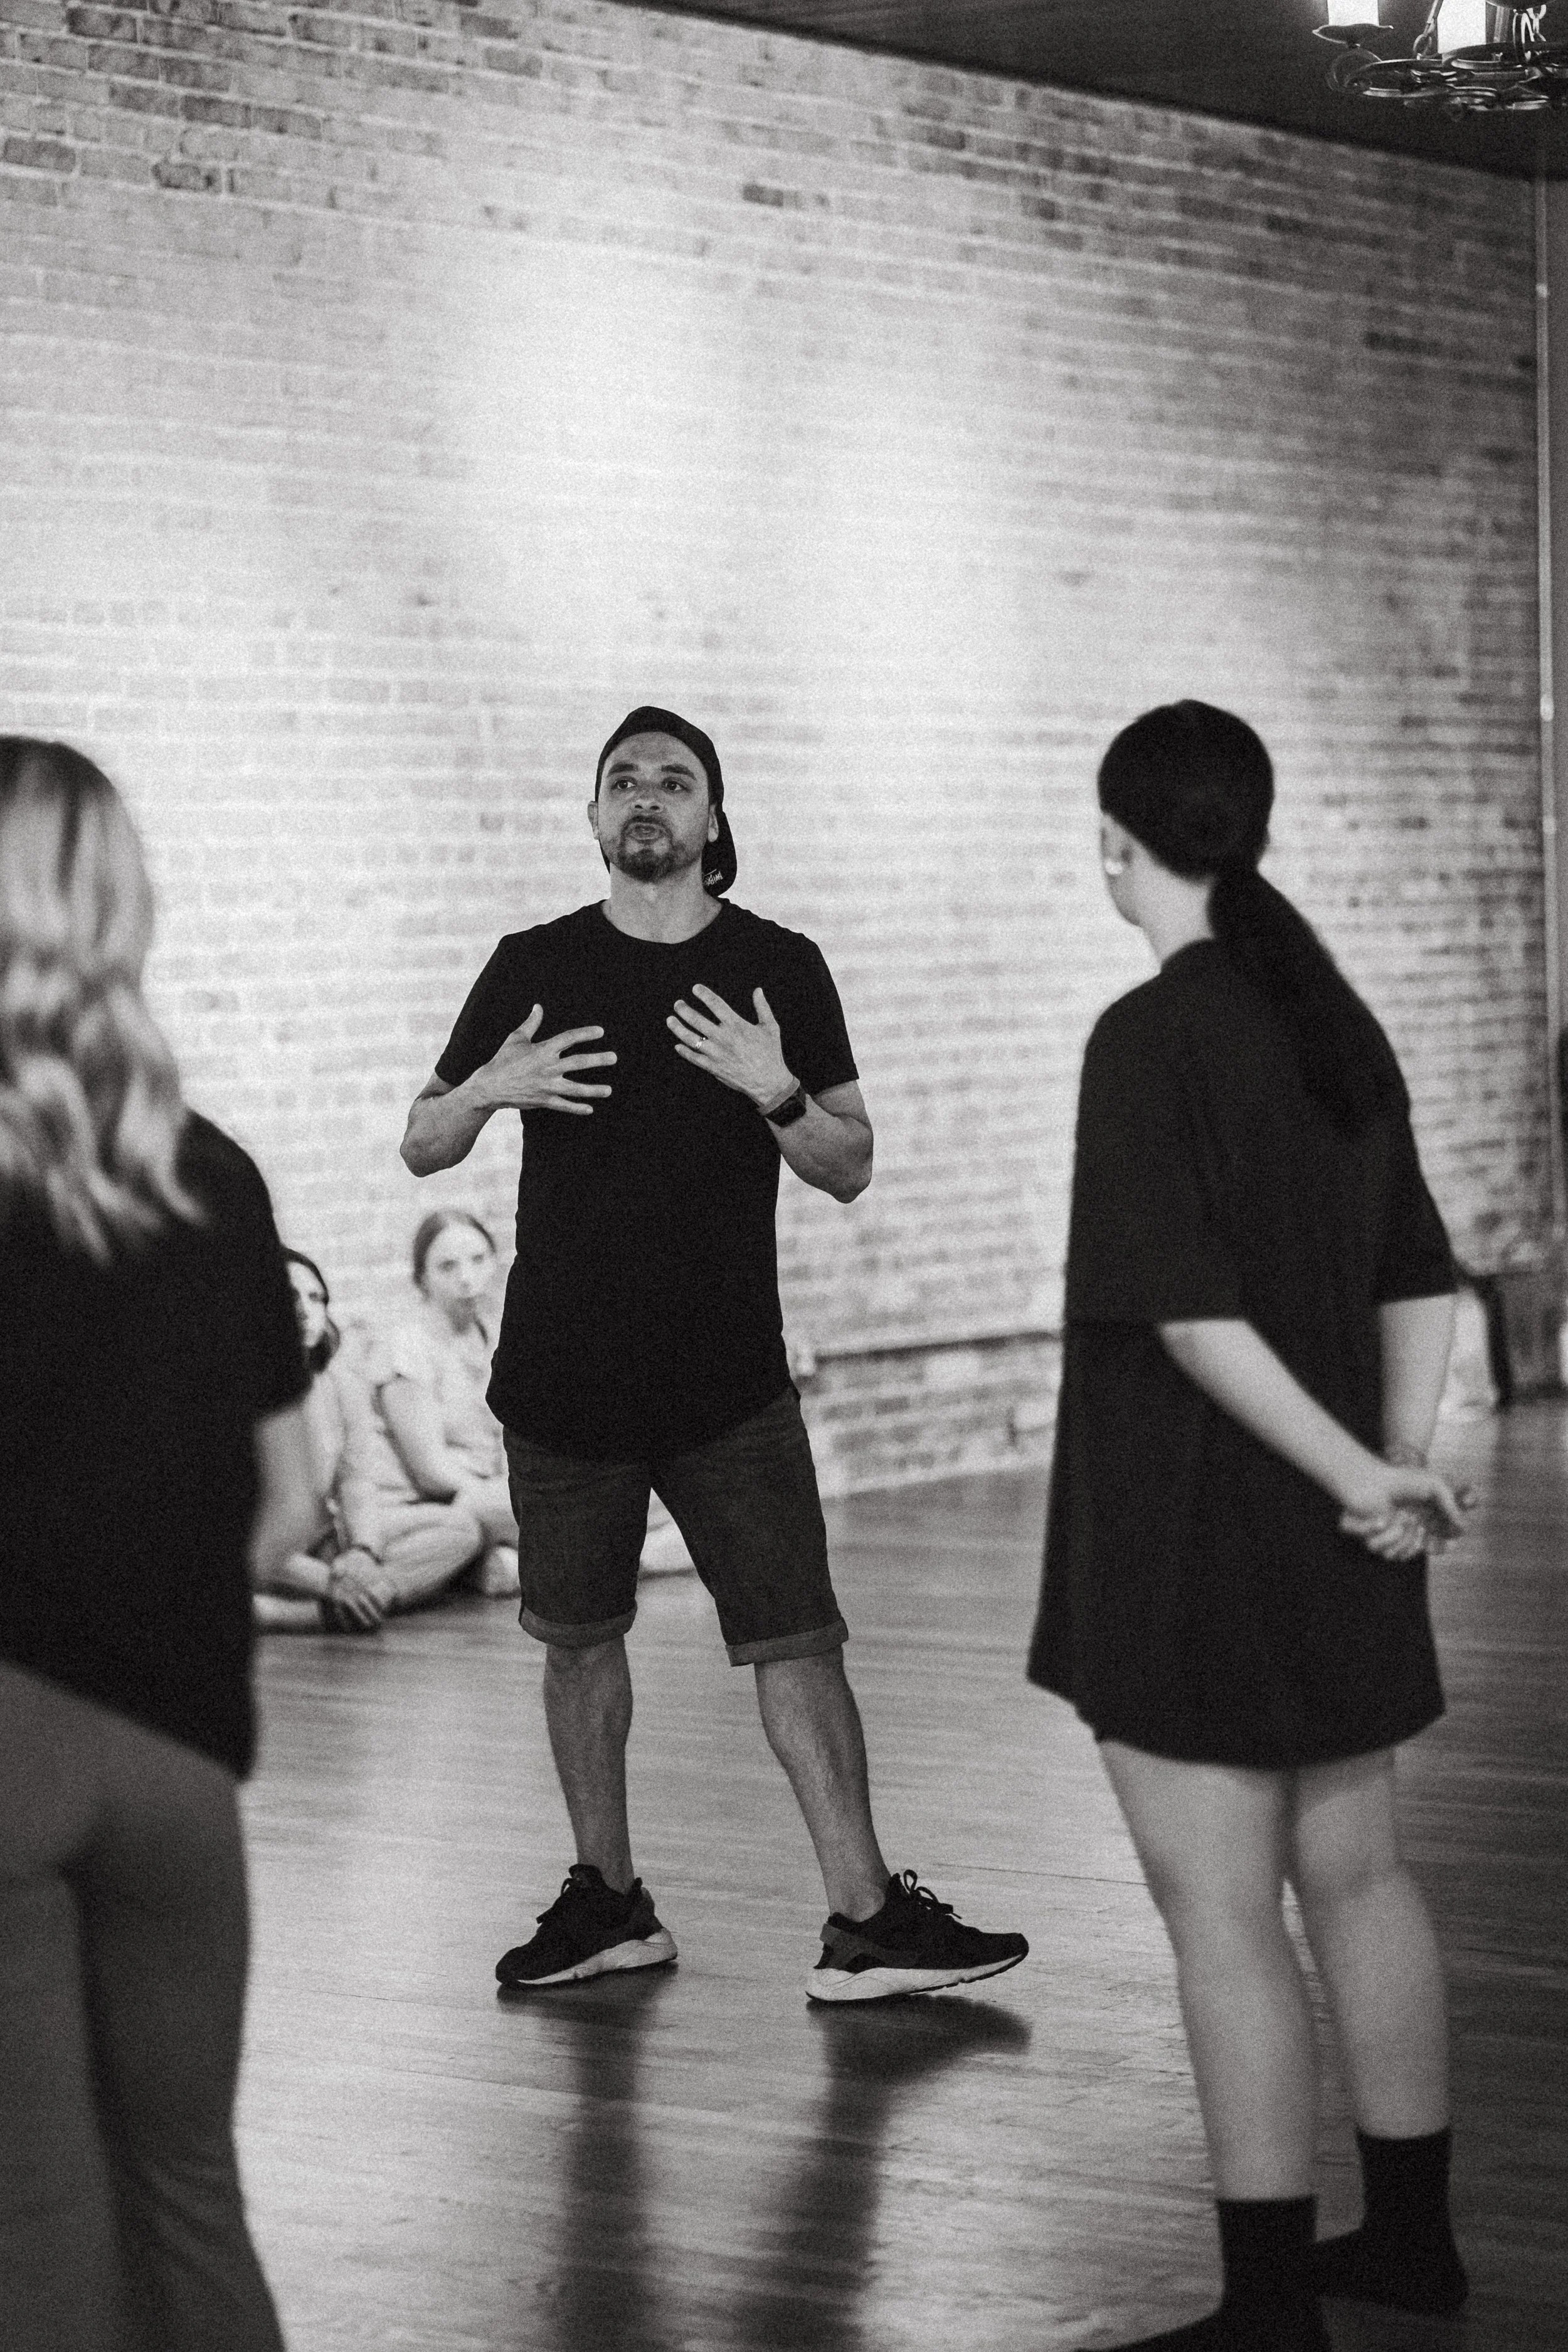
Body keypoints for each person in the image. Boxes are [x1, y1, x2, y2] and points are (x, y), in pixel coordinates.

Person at [401, 704, 1028, 2000]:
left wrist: (773, 1086)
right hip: (563, 1383)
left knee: (798, 1643)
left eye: (675, 781)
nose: (647, 797)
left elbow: (848, 1165)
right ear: (593, 816)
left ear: (712, 817)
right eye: (624, 780)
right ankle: (608, 1907)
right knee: (577, 1643)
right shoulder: (530, 963)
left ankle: (865, 1920)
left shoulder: (778, 967)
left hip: (728, 1386)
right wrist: (486, 1090)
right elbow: (422, 1142)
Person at [1029, 702, 1472, 2352]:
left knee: (1220, 1912)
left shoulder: (1145, 1039)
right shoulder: (1328, 1020)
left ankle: (1269, 2308)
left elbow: (1188, 1318)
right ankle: (1409, 2243)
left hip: (1192, 1533)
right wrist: (1389, 1459)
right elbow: (1420, 1272)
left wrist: (1357, 1473)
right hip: (1340, 1526)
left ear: (1113, 842)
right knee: (1357, 1876)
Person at [0, 737, 317, 2351]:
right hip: (182, 1754)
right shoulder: (217, 1174)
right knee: (189, 2190)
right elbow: (290, 1508)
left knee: (39, 2226)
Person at [252, 1249, 490, 1631]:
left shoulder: (336, 1381)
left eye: (316, 1298)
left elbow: (355, 1481)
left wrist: (363, 1551)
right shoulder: (235, 1395)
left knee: (460, 1529)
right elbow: (241, 1532)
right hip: (262, 1554)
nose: (305, 1310)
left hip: (325, 1541)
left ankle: (361, 1600)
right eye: (289, 1297)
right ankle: (316, 1613)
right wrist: (327, 1581)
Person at [362, 1209, 521, 1599]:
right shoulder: (408, 1344)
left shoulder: (495, 1335)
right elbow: (432, 1472)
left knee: (632, 1491)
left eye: (478, 1260)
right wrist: (502, 1497)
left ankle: (514, 1566)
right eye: (447, 1267)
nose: (467, 1278)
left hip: (488, 1491)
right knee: (587, 1509)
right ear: (422, 1279)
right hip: (438, 1504)